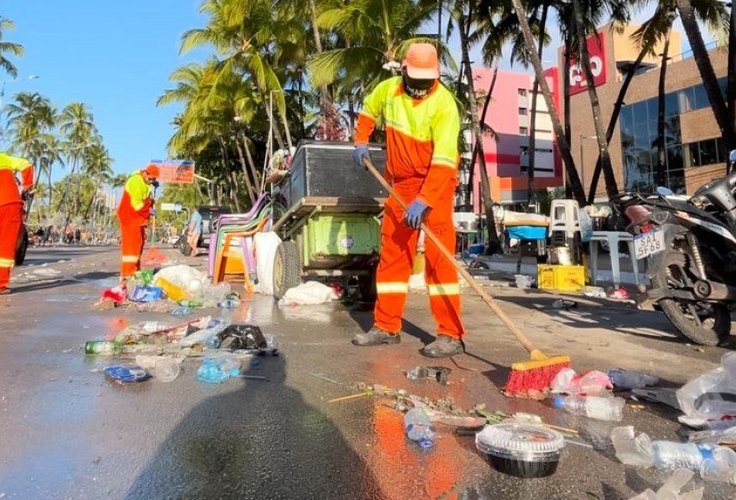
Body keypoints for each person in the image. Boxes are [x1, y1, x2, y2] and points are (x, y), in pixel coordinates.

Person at [351, 42, 464, 358]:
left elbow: (444, 161)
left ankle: (450, 334)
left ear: (436, 76)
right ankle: (386, 327)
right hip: (400, 186)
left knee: (439, 260)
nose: (420, 88)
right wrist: (361, 140)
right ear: (403, 71)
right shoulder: (388, 91)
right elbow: (367, 111)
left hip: (435, 185)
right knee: (393, 255)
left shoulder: (444, 104)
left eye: (427, 82)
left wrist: (425, 200)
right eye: (415, 81)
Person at [117, 164, 159, 284]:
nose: (152, 182)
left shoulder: (145, 184)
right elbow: (137, 205)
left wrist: (151, 201)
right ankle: (128, 274)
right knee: (131, 247)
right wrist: (149, 209)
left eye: (154, 180)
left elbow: (145, 200)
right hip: (130, 218)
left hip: (137, 219)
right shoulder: (136, 181)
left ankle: (135, 271)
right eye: (151, 179)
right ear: (145, 173)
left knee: (138, 244)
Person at [0, 153, 34, 294]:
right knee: (6, 247)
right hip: (10, 204)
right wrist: (27, 186)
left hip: (10, 204)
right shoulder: (3, 157)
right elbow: (26, 165)